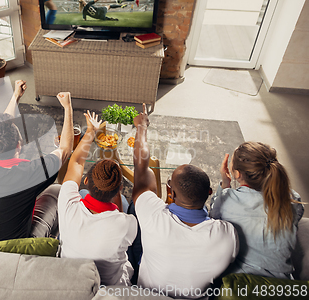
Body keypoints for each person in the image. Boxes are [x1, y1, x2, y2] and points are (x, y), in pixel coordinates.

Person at [130, 104, 238, 298]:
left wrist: (141, 127)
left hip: (147, 294)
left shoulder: (153, 216)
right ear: (209, 192)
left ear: (170, 192)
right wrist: (227, 186)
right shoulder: (227, 233)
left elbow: (140, 166)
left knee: (132, 208)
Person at [0, 86, 74, 249]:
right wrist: (68, 107)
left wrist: (15, 96)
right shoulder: (29, 173)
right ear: (18, 146)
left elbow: (2, 129)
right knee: (57, 190)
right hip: (7, 250)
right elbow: (65, 150)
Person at [57, 111, 137, 286]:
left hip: (71, 281)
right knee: (124, 206)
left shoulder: (67, 203)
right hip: (111, 288)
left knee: (84, 196)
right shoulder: (126, 223)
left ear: (86, 180)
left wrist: (91, 131)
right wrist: (116, 194)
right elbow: (119, 217)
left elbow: (76, 162)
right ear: (120, 189)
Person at [209, 142, 305, 279]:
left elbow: (213, 216)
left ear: (236, 173)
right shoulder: (292, 200)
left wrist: (225, 185)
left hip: (239, 285)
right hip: (281, 287)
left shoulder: (226, 200)